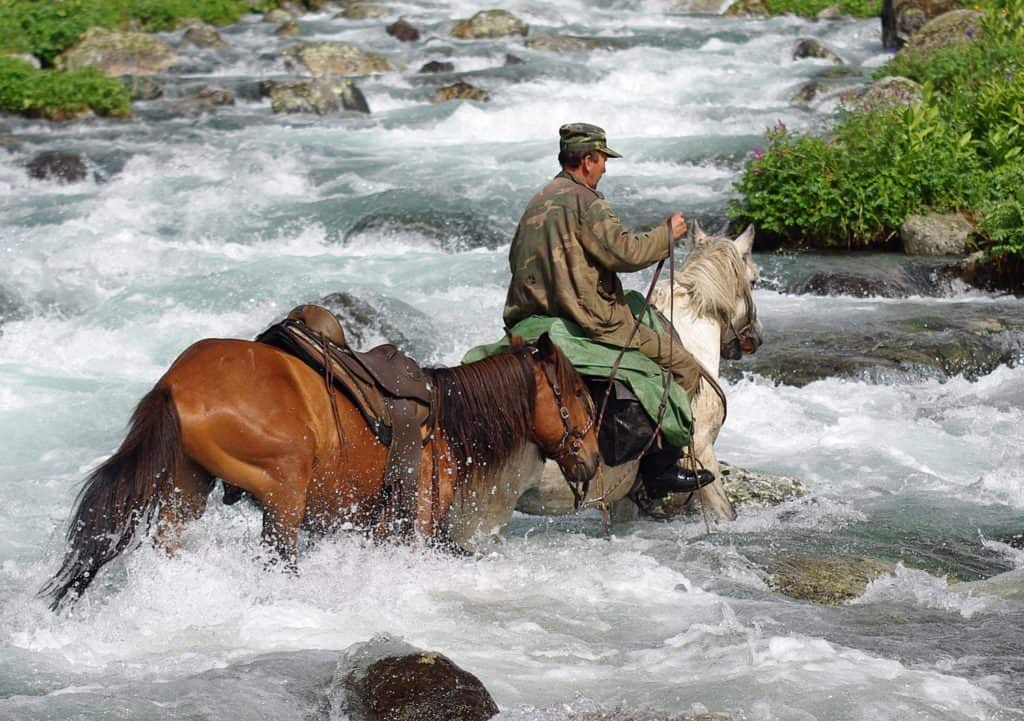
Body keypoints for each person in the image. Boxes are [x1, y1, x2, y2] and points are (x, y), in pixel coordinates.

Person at [503, 122, 712, 498]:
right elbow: (626, 253)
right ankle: (659, 468)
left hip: (533, 320)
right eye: (601, 161)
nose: (604, 169)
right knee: (683, 366)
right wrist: (666, 235)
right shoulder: (587, 202)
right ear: (586, 160)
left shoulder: (538, 198)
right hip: (591, 323)